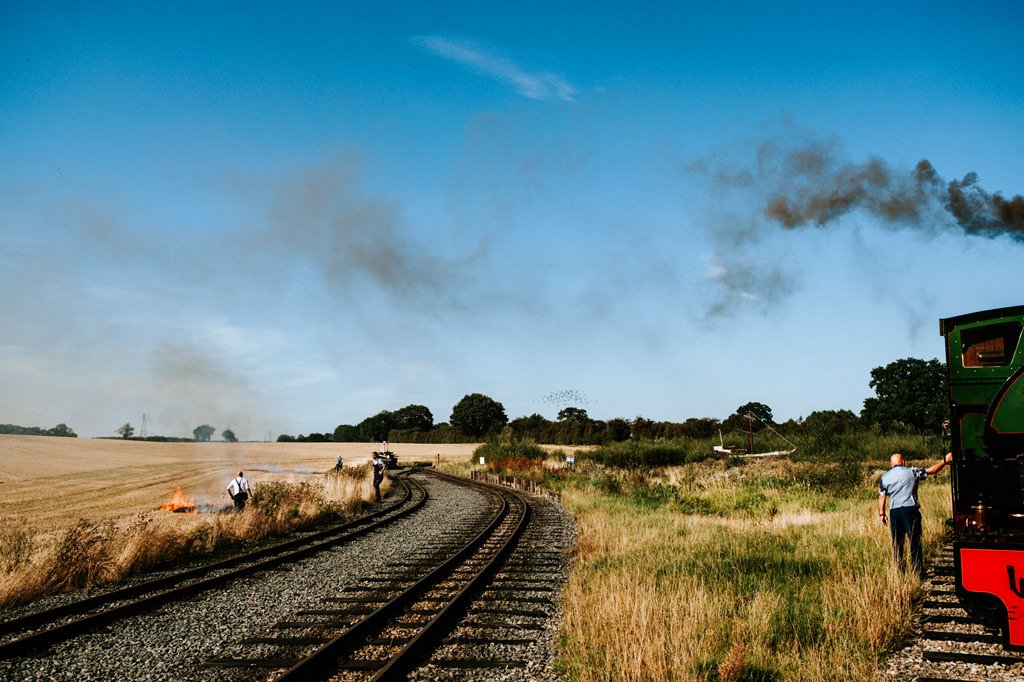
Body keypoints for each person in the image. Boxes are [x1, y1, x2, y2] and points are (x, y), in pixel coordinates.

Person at [878, 452, 953, 576]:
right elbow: (932, 470)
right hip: (910, 510)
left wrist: (882, 514)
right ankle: (917, 571)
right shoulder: (912, 471)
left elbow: (882, 497)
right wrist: (945, 461)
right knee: (914, 540)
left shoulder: (885, 477)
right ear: (903, 462)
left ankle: (900, 571)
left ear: (891, 464)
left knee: (897, 542)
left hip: (894, 512)